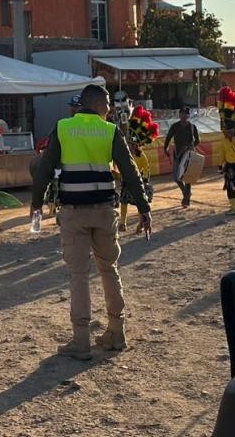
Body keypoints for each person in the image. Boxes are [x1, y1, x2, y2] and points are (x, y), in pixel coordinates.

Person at [31, 84, 151, 360]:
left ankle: (81, 341)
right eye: (108, 104)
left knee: (79, 275)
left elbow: (43, 170)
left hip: (74, 214)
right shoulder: (109, 131)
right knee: (109, 269)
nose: (110, 109)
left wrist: (37, 206)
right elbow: (130, 171)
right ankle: (116, 333)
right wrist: (144, 208)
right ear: (97, 105)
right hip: (104, 212)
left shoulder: (62, 128)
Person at [120, 106, 160, 234]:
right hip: (126, 182)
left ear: (136, 145)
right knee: (123, 201)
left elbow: (146, 169)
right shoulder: (126, 155)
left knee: (139, 203)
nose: (130, 147)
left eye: (132, 145)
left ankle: (140, 223)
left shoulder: (141, 156)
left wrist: (145, 181)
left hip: (138, 182)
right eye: (129, 144)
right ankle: (123, 223)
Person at [163, 107, 200, 207]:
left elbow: (197, 141)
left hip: (188, 156)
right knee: (176, 177)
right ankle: (186, 193)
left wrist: (189, 147)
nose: (184, 116)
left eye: (186, 114)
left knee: (187, 178)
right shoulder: (174, 126)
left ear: (188, 116)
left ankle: (186, 199)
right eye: (182, 114)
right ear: (179, 115)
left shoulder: (192, 127)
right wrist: (165, 149)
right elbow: (168, 138)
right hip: (177, 155)